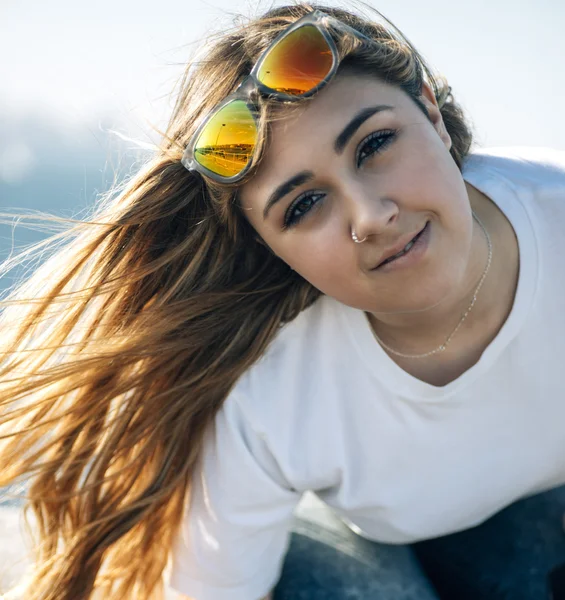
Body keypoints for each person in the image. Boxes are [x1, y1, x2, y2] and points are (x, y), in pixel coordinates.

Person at [1, 2, 565, 599]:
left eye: (374, 145)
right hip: (367, 549)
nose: (371, 217)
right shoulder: (266, 386)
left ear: (430, 111)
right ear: (272, 247)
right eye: (301, 206)